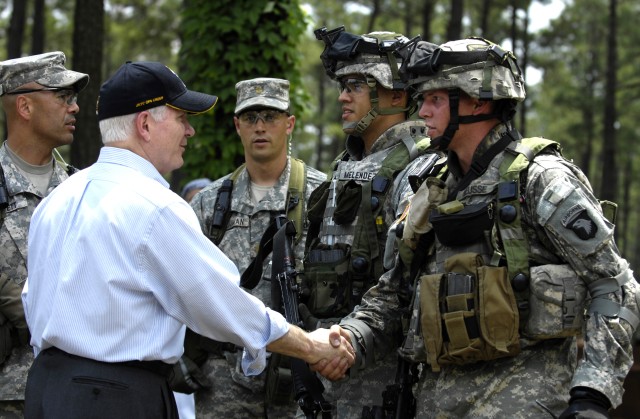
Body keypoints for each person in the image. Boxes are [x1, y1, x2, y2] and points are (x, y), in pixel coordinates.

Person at [21, 60, 355, 419]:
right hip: (115, 396)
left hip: (46, 389)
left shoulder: (60, 197)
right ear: (145, 124)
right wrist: (309, 345)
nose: (190, 131)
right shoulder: (154, 206)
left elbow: (31, 297)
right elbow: (222, 304)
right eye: (181, 118)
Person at [336, 37, 640, 418]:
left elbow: (614, 284)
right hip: (434, 401)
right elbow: (394, 292)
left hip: (526, 401)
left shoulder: (540, 180)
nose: (422, 111)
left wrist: (592, 393)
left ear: (477, 101)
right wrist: (346, 338)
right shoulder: (432, 188)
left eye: (434, 99)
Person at [298, 27, 440, 417]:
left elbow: (405, 281)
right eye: (343, 85)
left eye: (357, 85)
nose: (343, 96)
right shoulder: (347, 165)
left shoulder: (418, 168)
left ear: (397, 94)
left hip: (379, 377)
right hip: (326, 368)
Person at [185, 77, 326, 418]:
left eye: (271, 117)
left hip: (301, 376)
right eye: (250, 118)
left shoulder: (322, 196)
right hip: (223, 380)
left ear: (289, 124)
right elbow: (184, 288)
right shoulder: (209, 204)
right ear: (237, 125)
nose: (260, 127)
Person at [0, 51, 89, 418]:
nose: (75, 108)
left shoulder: (81, 187)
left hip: (76, 389)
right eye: (63, 96)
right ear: (25, 106)